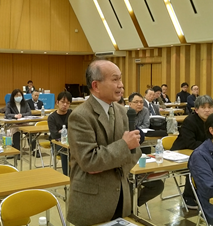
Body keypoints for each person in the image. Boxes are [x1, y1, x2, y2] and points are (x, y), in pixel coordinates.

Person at [67, 59, 141, 226]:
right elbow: (89, 161)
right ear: (96, 85)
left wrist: (105, 162)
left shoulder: (123, 112)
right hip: (93, 201)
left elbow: (135, 153)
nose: (121, 85)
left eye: (121, 79)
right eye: (115, 80)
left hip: (121, 196)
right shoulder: (80, 116)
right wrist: (123, 147)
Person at [171, 95, 213, 209]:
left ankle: (208, 192)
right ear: (196, 109)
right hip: (180, 153)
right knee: (199, 165)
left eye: (209, 107)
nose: (207, 110)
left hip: (200, 152)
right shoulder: (190, 121)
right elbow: (190, 143)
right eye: (203, 107)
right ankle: (189, 196)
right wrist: (211, 147)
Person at [128, 92, 164, 207]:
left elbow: (146, 125)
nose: (139, 104)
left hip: (141, 153)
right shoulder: (125, 114)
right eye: (136, 102)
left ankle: (134, 204)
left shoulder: (145, 111)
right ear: (129, 104)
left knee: (158, 185)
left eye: (141, 102)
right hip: (127, 164)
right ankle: (129, 206)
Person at [47, 91, 73, 176]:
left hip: (71, 142)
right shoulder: (52, 117)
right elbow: (54, 134)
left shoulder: (72, 114)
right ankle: (67, 176)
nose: (65, 105)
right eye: (63, 102)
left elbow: (77, 130)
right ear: (57, 102)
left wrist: (62, 132)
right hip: (57, 144)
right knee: (64, 150)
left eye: (68, 103)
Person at [5, 89, 32, 157]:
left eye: (20, 95)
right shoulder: (9, 104)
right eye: (17, 95)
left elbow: (29, 113)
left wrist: (22, 115)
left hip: (24, 123)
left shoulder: (25, 103)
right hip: (14, 124)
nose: (18, 97)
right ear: (13, 96)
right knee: (16, 132)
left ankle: (34, 150)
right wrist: (15, 116)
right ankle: (17, 152)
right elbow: (7, 114)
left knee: (31, 132)